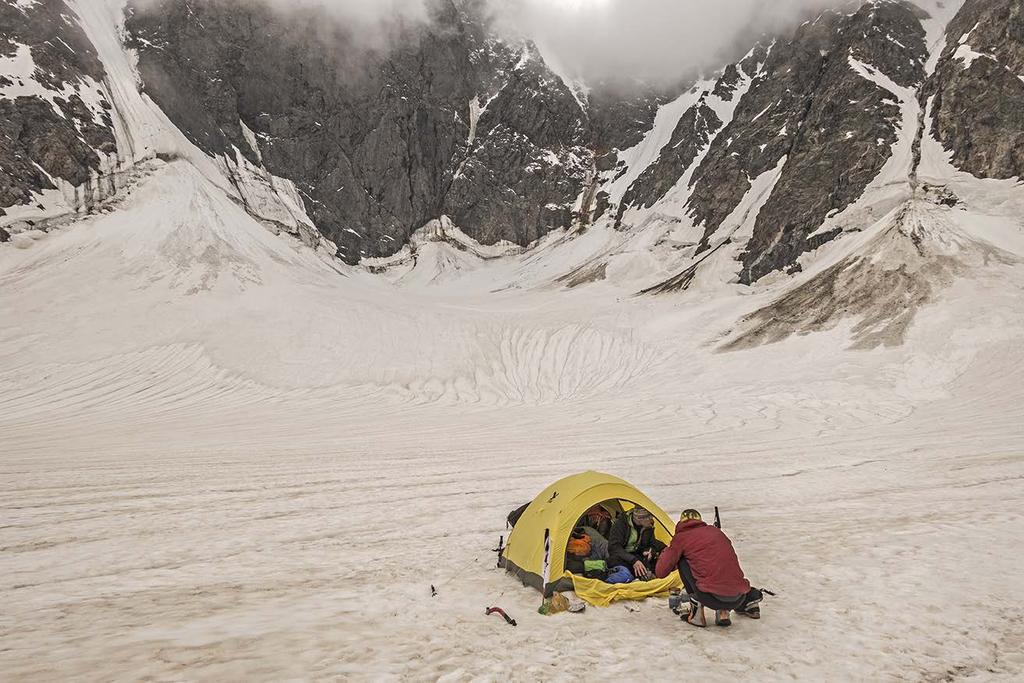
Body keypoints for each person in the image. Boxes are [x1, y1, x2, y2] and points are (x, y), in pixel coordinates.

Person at [655, 509, 763, 628]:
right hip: (739, 597)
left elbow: (661, 571)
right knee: (719, 565)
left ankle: (696, 615)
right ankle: (723, 614)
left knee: (683, 561)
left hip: (710, 597)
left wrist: (668, 553)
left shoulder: (681, 538)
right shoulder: (716, 532)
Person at [607, 507, 665, 581]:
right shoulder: (621, 524)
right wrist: (633, 560)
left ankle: (640, 578)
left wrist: (648, 551)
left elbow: (651, 543)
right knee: (626, 575)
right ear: (639, 518)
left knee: (660, 566)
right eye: (649, 517)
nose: (651, 520)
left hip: (637, 556)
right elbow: (614, 547)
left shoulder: (648, 526)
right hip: (620, 558)